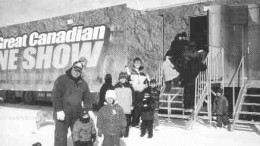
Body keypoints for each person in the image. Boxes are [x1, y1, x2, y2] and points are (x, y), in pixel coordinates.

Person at [52, 61, 92, 146]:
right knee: (60, 137)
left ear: (81, 72)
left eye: (79, 70)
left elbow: (87, 98)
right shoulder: (61, 80)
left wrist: (88, 110)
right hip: (62, 114)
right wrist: (59, 110)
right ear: (72, 68)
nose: (76, 71)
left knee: (78, 135)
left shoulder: (83, 83)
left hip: (76, 114)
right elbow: (56, 96)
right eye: (75, 69)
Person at [126, 57, 150, 127]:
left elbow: (148, 82)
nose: (137, 64)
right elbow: (127, 81)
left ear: (140, 64)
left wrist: (145, 88)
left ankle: (136, 122)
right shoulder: (131, 72)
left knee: (139, 107)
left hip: (141, 92)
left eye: (138, 62)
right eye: (136, 62)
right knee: (131, 107)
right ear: (133, 63)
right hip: (133, 92)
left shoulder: (144, 73)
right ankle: (129, 122)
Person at [114, 72, 133, 137]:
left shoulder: (129, 86)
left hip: (127, 108)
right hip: (118, 108)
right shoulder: (115, 86)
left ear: (126, 79)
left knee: (126, 122)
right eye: (121, 78)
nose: (122, 79)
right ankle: (119, 134)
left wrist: (132, 104)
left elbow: (133, 96)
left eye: (123, 78)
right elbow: (113, 97)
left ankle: (125, 134)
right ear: (119, 79)